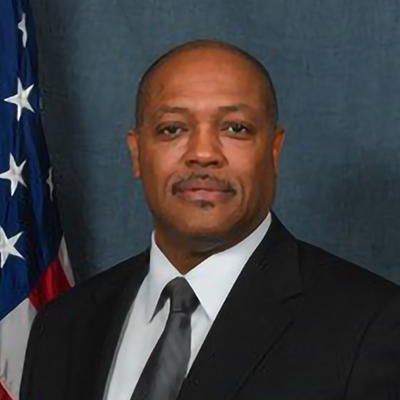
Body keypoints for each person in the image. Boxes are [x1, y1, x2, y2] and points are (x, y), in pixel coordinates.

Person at [21, 39, 400, 400]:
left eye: (236, 128)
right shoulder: (62, 326)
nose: (203, 154)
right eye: (173, 129)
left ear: (274, 150)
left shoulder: (373, 325)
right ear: (137, 154)